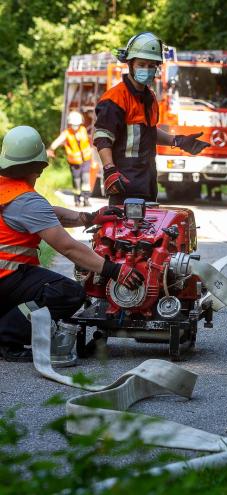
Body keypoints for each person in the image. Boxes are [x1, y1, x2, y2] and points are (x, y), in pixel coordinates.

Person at [0, 126, 144, 362]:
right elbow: (68, 248)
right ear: (39, 166)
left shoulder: (7, 190)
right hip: (6, 278)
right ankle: (7, 336)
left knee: (33, 284)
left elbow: (48, 214)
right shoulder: (26, 201)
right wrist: (115, 270)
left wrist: (89, 217)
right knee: (67, 293)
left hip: (6, 279)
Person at [93, 32, 210, 205]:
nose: (146, 69)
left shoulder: (150, 97)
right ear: (130, 64)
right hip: (123, 184)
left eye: (151, 65)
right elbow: (103, 138)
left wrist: (178, 141)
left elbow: (148, 132)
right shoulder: (115, 98)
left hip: (147, 183)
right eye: (142, 64)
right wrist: (109, 169)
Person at [47, 111, 93, 207]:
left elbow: (89, 141)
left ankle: (86, 199)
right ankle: (77, 200)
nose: (75, 127)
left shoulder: (83, 130)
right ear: (70, 124)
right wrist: (51, 149)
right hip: (75, 162)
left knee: (85, 180)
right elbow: (58, 141)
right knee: (76, 181)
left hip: (86, 160)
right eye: (73, 124)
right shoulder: (67, 133)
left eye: (77, 124)